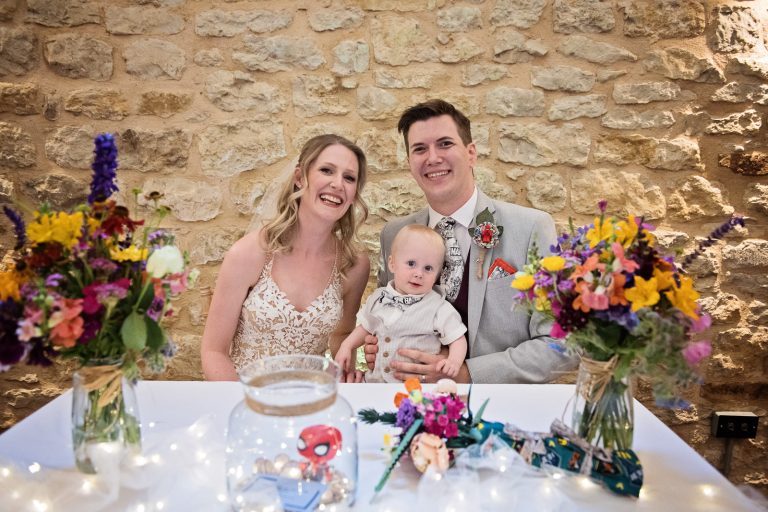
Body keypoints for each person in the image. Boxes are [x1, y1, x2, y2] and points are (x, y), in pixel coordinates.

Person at [365, 99, 576, 384]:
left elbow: (562, 345)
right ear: (409, 164)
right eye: (419, 149)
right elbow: (384, 317)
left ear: (471, 153)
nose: (432, 158)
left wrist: (468, 374)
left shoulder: (531, 228)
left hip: (498, 410)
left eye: (445, 144)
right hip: (407, 405)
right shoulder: (394, 234)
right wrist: (376, 345)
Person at [201, 134, 370, 381]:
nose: (337, 184)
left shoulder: (353, 265)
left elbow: (341, 334)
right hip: (246, 401)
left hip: (311, 401)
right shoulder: (250, 252)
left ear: (354, 193)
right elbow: (213, 352)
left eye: (349, 178)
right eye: (326, 170)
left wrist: (347, 372)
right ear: (300, 178)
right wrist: (248, 408)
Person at [334, 224, 467, 382]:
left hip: (416, 387)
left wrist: (454, 361)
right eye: (411, 264)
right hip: (375, 381)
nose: (418, 274)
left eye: (428, 268)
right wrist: (347, 346)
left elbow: (457, 338)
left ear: (437, 274)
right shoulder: (378, 298)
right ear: (392, 264)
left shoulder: (438, 307)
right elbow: (365, 327)